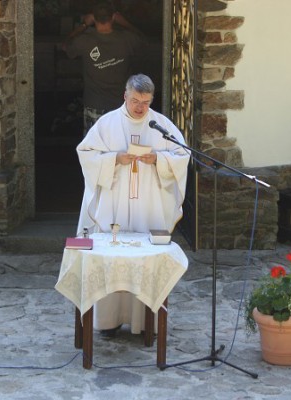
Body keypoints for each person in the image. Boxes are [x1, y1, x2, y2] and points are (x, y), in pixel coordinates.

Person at [76, 74, 189, 335]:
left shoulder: (161, 125)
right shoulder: (107, 123)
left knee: (146, 261)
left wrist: (158, 159)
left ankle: (145, 323)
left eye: (146, 102)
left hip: (149, 205)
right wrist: (115, 158)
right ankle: (108, 321)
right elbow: (85, 153)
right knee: (111, 257)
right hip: (114, 203)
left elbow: (182, 155)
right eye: (135, 100)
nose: (140, 107)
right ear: (125, 96)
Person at [62, 1, 143, 135]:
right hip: (121, 105)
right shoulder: (127, 39)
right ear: (113, 17)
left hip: (95, 104)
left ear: (93, 18)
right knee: (120, 144)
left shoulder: (84, 41)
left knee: (94, 145)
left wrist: (84, 25)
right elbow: (142, 39)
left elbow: (66, 44)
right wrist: (124, 22)